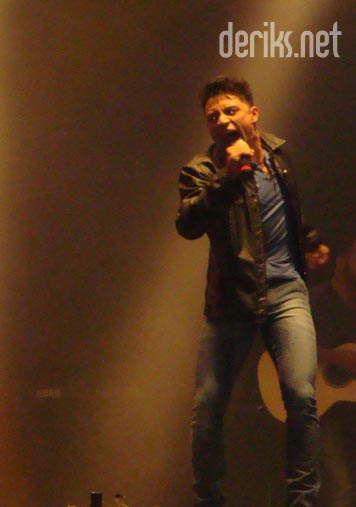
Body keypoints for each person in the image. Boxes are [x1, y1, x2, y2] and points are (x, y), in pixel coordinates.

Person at [175, 76, 321, 507]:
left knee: (301, 396)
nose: (221, 121)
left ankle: (303, 502)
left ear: (253, 114)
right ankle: (209, 501)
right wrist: (229, 175)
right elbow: (187, 224)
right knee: (208, 406)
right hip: (231, 300)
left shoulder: (279, 156)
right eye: (212, 117)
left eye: (230, 111)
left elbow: (286, 212)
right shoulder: (202, 170)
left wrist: (309, 240)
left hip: (287, 293)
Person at [311, 231, 356, 507]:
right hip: (323, 410)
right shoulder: (315, 301)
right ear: (341, 260)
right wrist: (337, 358)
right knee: (343, 487)